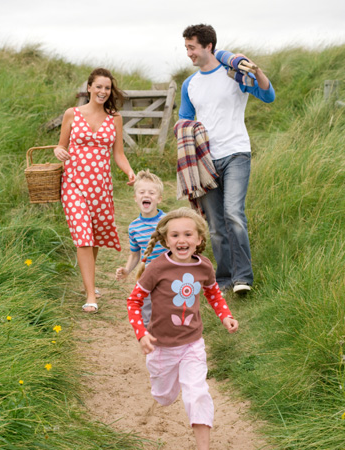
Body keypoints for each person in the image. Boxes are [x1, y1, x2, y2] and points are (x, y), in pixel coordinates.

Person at [127, 207, 238, 450]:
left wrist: (226, 316)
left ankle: (203, 446)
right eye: (175, 235)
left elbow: (213, 293)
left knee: (196, 392)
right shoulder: (157, 268)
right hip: (161, 347)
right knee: (164, 397)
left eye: (188, 234)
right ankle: (167, 385)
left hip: (192, 344)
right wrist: (141, 333)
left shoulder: (204, 267)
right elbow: (134, 301)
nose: (182, 240)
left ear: (199, 239)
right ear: (166, 240)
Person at [178, 24, 275, 294]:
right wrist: (186, 137)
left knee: (233, 214)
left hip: (236, 153)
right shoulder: (190, 84)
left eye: (192, 47)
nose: (188, 53)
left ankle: (243, 277)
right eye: (186, 47)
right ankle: (223, 279)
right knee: (216, 224)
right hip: (206, 160)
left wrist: (255, 70)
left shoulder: (234, 73)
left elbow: (268, 95)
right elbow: (184, 119)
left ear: (209, 46)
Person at [54, 68, 135, 313]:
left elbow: (118, 154)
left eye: (107, 88)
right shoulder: (72, 114)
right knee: (83, 237)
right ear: (89, 87)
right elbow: (61, 145)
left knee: (95, 236)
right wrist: (58, 151)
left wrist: (129, 172)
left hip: (101, 187)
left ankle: (88, 281)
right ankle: (91, 294)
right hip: (73, 184)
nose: (103, 91)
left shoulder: (115, 118)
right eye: (98, 86)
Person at [115, 169, 166, 326]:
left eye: (151, 193)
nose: (146, 195)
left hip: (167, 271)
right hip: (147, 273)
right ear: (135, 198)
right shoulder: (134, 227)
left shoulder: (167, 221)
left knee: (167, 306)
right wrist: (127, 270)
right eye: (142, 192)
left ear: (159, 199)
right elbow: (135, 255)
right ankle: (148, 338)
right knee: (146, 307)